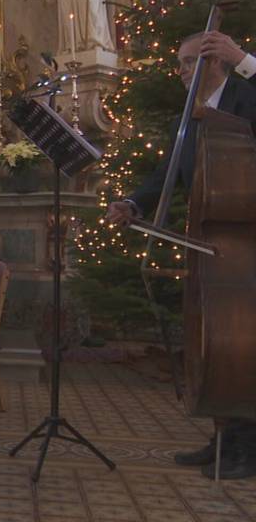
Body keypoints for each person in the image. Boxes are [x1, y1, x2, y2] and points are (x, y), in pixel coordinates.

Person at [106, 31, 256, 480]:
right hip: (215, 246)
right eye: (179, 64)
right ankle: (226, 435)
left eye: (189, 62)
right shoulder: (186, 118)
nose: (181, 72)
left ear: (216, 62)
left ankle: (248, 445)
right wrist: (132, 203)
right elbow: (165, 172)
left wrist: (244, 59)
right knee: (220, 343)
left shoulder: (246, 99)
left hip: (248, 243)